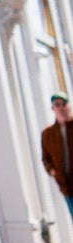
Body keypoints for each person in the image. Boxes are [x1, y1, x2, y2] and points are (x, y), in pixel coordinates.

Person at [41, 95, 73, 223]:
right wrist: (52, 171)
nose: (60, 107)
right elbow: (45, 158)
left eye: (63, 104)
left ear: (68, 106)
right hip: (66, 184)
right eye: (57, 104)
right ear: (52, 108)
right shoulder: (48, 133)